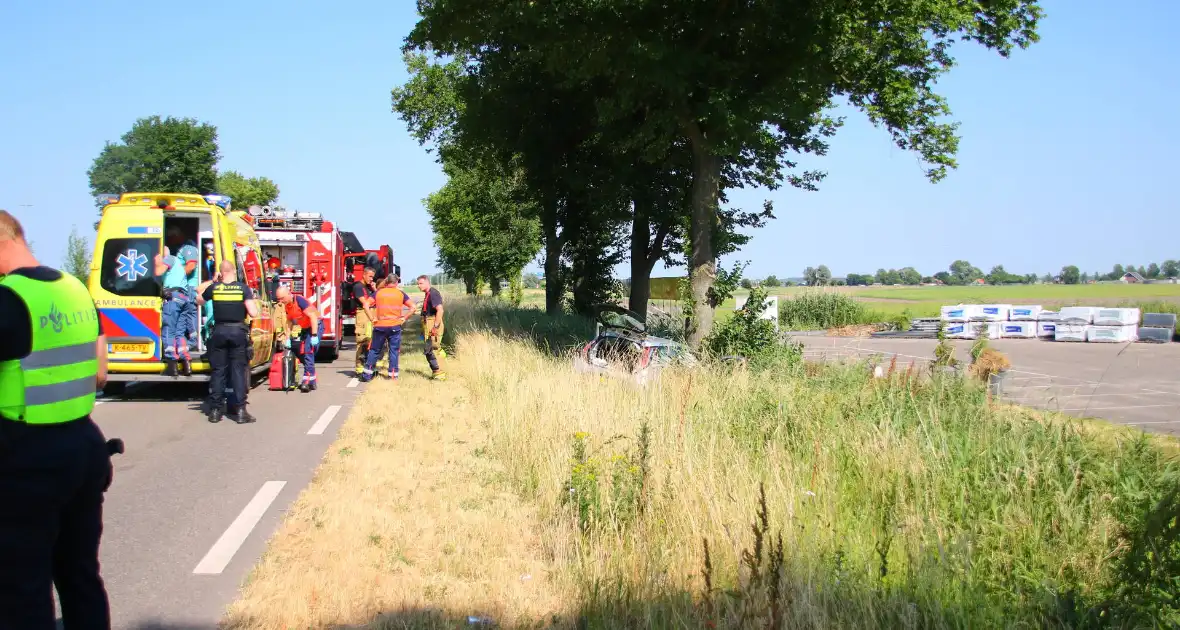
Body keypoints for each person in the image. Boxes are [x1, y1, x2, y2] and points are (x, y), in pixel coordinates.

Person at [0, 210, 114, 629]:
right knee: (80, 576)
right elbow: (101, 373)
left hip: (25, 459)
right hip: (84, 447)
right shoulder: (75, 290)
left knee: (22, 588)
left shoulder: (8, 299)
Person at [196, 260, 259, 424]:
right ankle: (240, 411)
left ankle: (216, 411)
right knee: (238, 371)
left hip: (219, 332)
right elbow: (253, 312)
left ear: (220, 272)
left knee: (218, 371)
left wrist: (213, 281)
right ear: (234, 271)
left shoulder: (215, 288)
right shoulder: (242, 288)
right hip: (238, 332)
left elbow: (199, 299)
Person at [154, 226, 199, 377]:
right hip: (184, 298)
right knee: (180, 333)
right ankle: (186, 364)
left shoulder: (170, 259)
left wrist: (156, 262)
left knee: (168, 330)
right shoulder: (179, 265)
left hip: (173, 298)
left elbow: (158, 272)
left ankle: (172, 365)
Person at [361, 275, 414, 382]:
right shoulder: (400, 294)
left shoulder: (379, 293)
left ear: (386, 282)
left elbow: (365, 305)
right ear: (396, 282)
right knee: (394, 351)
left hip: (380, 326)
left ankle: (367, 375)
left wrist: (372, 319)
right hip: (395, 326)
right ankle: (392, 376)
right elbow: (413, 307)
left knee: (375, 350)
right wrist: (404, 318)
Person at [275, 286, 322, 393]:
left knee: (308, 351)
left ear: (288, 293)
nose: (281, 301)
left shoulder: (300, 300)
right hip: (305, 328)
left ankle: (306, 381)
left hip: (315, 325)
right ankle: (312, 381)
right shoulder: (287, 305)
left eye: (282, 298)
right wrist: (287, 338)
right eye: (279, 299)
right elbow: (289, 322)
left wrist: (314, 335)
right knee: (301, 352)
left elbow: (313, 317)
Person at [416, 274, 446, 380]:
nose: (419, 286)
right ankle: (436, 371)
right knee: (428, 349)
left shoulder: (433, 293)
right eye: (418, 284)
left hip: (432, 322)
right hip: (427, 323)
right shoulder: (427, 293)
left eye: (421, 283)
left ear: (427, 282)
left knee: (433, 348)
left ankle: (440, 373)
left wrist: (435, 326)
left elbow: (440, 310)